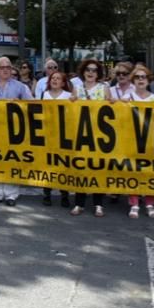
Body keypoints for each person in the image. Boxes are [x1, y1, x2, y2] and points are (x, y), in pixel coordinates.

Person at [0, 56, 32, 205]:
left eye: (8, 67)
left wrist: (21, 103)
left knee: (12, 160)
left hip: (14, 130)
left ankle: (11, 195)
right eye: (2, 67)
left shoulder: (20, 86)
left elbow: (32, 104)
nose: (5, 70)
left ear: (11, 70)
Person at [70, 59, 111, 217]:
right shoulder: (77, 88)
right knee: (81, 168)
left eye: (94, 70)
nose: (91, 72)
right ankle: (79, 203)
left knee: (97, 168)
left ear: (98, 73)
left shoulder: (104, 88)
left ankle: (98, 204)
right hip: (81, 135)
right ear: (83, 72)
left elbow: (112, 109)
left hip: (100, 135)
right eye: (88, 69)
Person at [126, 64, 154, 219]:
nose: (140, 80)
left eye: (143, 77)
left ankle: (150, 202)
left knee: (149, 171)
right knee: (133, 171)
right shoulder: (127, 98)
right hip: (131, 140)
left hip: (150, 141)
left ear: (148, 80)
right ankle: (134, 203)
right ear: (133, 80)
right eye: (137, 77)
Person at [40, 71, 73, 208]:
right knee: (47, 165)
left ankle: (64, 194)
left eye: (58, 78)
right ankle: (47, 194)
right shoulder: (44, 94)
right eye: (53, 78)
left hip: (63, 135)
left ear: (63, 82)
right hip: (48, 134)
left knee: (63, 166)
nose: (55, 80)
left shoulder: (68, 96)